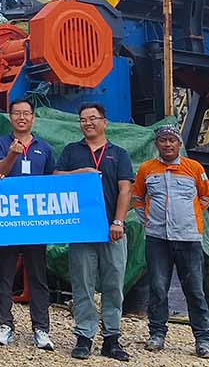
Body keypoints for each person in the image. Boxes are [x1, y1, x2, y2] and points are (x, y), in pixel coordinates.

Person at [56, 102, 134, 361]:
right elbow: (56, 177)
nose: (87, 123)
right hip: (81, 230)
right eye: (82, 119)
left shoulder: (118, 153)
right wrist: (81, 173)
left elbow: (126, 190)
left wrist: (118, 222)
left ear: (104, 122)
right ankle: (84, 336)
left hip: (111, 230)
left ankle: (112, 338)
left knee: (113, 284)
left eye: (92, 118)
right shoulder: (71, 151)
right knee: (83, 284)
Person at [133, 125, 209, 359]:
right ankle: (157, 334)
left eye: (172, 140)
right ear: (156, 144)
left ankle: (203, 339)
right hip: (157, 238)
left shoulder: (194, 168)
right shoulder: (147, 169)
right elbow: (138, 197)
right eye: (163, 140)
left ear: (179, 144)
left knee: (195, 290)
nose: (167, 144)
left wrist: (191, 215)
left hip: (189, 238)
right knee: (158, 288)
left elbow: (207, 195)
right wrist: (147, 220)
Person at [0, 99, 57, 350]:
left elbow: (53, 184)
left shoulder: (45, 148)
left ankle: (41, 329)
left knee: (38, 277)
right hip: (7, 221)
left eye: (26, 113)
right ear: (10, 117)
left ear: (33, 118)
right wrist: (11, 155)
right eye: (16, 113)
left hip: (35, 223)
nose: (21, 117)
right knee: (3, 274)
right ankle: (4, 324)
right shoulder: (0, 143)